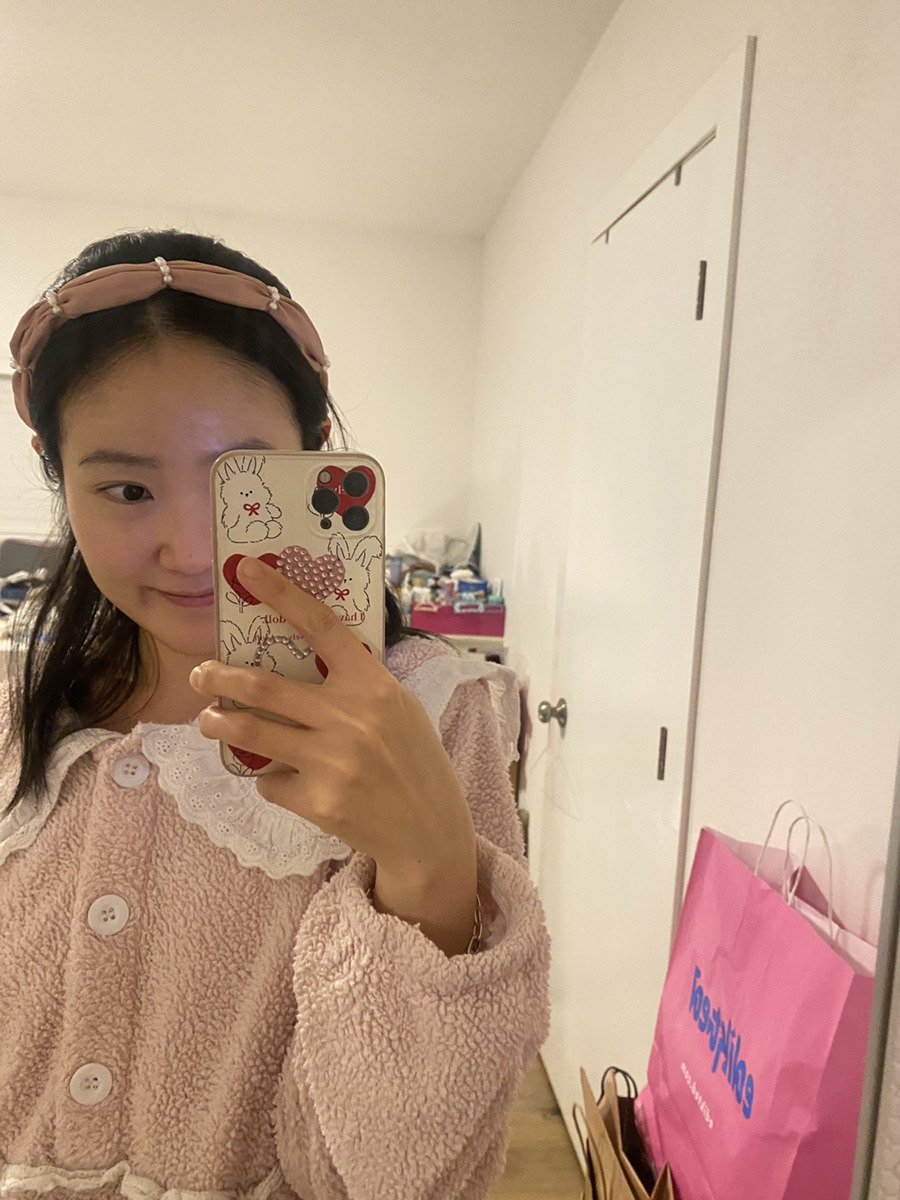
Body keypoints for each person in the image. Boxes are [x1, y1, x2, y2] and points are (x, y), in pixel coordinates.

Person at [0, 229, 551, 1200]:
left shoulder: (433, 711)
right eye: (126, 488)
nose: (189, 549)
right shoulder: (20, 707)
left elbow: (397, 1177)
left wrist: (428, 873)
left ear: (313, 455)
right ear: (56, 469)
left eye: (240, 485)